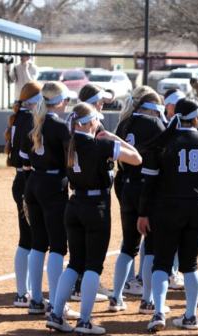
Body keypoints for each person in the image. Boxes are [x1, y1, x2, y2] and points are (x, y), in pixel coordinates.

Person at [45, 102, 142, 335]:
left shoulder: (68, 142)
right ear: (90, 123)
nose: (99, 122)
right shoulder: (102, 144)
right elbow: (137, 158)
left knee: (75, 263)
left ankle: (56, 313)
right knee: (92, 266)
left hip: (74, 205)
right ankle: (85, 321)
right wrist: (112, 137)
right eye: (96, 119)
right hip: (95, 207)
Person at [138, 98, 198, 332]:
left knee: (161, 263)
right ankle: (191, 316)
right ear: (196, 118)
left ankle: (157, 313)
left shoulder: (164, 142)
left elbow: (150, 183)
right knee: (191, 265)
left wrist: (143, 213)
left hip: (166, 208)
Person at [19, 81, 78, 319]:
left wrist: (29, 187)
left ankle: (35, 300)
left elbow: (25, 161)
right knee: (57, 246)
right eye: (66, 100)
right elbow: (71, 163)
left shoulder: (35, 122)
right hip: (54, 185)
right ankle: (55, 302)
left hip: (34, 182)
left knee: (37, 244)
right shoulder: (60, 126)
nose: (67, 104)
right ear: (60, 101)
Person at [110, 86, 170, 315]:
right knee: (151, 245)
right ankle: (148, 301)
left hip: (127, 187)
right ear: (152, 108)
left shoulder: (123, 124)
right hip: (149, 189)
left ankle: (116, 297)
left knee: (128, 245)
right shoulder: (154, 123)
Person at [69, 84, 115, 302]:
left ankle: (86, 283)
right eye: (100, 100)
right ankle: (84, 287)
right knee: (89, 248)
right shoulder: (91, 124)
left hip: (79, 196)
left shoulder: (77, 123)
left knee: (80, 249)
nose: (103, 103)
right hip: (93, 196)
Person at [3, 80, 41, 308]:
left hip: (22, 179)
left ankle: (22, 293)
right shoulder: (30, 119)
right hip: (28, 179)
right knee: (30, 238)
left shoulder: (19, 117)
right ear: (34, 101)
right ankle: (25, 293)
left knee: (27, 237)